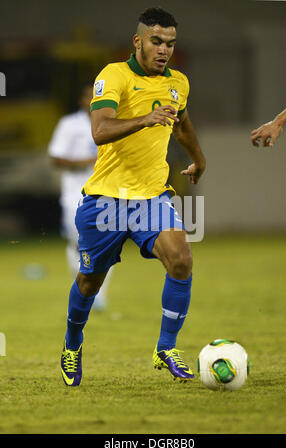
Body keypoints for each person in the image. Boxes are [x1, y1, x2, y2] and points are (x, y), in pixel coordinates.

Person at [60, 7, 206, 387]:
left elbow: (183, 125)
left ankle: (166, 347)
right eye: (156, 41)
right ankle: (72, 344)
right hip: (105, 200)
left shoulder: (179, 83)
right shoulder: (113, 75)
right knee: (90, 283)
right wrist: (144, 118)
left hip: (151, 198)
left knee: (181, 258)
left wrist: (199, 160)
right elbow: (100, 130)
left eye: (170, 43)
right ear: (138, 41)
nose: (164, 50)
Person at [48, 85, 111, 310]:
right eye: (90, 97)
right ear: (82, 100)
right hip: (75, 193)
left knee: (106, 243)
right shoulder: (69, 124)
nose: (94, 101)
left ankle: (99, 296)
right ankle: (82, 288)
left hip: (106, 193)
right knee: (78, 243)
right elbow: (56, 159)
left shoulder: (113, 124)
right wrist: (85, 162)